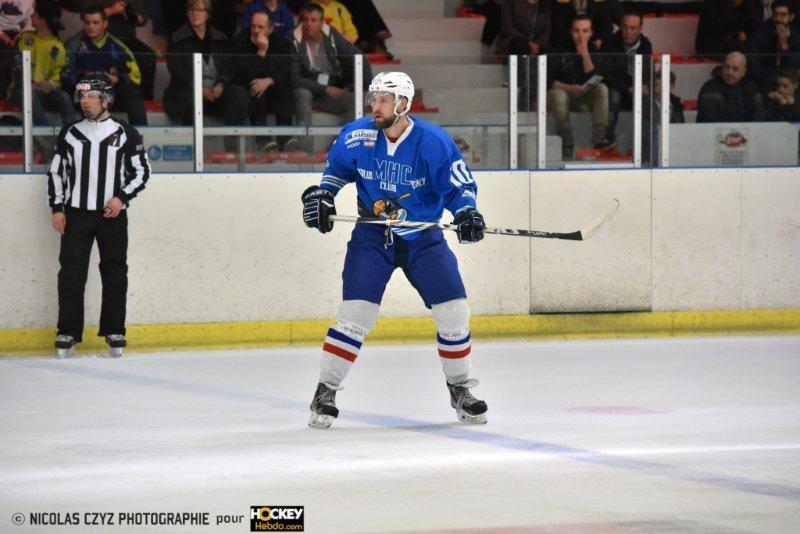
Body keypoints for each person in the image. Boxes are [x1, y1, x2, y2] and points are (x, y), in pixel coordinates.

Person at [300, 71, 489, 429]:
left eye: (384, 100)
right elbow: (336, 172)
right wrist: (323, 195)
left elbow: (458, 188)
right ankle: (325, 391)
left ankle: (460, 389)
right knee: (355, 314)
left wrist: (466, 212)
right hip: (373, 236)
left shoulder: (433, 142)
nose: (376, 106)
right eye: (373, 99)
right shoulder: (358, 134)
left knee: (453, 312)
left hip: (423, 237)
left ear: (403, 103)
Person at [47, 74, 150, 358]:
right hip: (76, 214)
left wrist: (121, 198)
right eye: (82, 96)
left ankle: (115, 330)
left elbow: (142, 171)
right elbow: (56, 173)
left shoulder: (126, 133)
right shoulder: (70, 132)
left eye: (91, 96)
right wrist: (57, 208)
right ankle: (68, 332)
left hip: (112, 215)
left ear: (106, 100)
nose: (85, 101)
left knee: (115, 271)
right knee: (71, 273)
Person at [162, 0, 249, 150]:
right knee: (189, 99)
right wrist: (199, 89)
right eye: (191, 10)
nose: (195, 14)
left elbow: (229, 66)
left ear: (207, 14)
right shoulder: (177, 38)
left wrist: (221, 84)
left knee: (239, 94)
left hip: (215, 91)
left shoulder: (220, 38)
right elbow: (177, 71)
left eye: (200, 10)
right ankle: (192, 149)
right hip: (187, 91)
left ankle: (232, 150)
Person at [290, 2, 372, 152]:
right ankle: (305, 151)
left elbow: (358, 57)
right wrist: (325, 89)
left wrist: (364, 86)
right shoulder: (292, 39)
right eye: (305, 20)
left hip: (328, 90)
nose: (309, 24)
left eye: (313, 20)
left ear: (322, 22)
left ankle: (336, 147)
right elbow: (294, 78)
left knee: (357, 100)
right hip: (305, 89)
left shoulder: (331, 35)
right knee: (303, 93)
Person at [62, 5, 148, 125]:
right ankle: (94, 133)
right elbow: (65, 73)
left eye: (95, 23)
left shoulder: (118, 46)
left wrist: (117, 79)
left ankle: (139, 133)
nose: (91, 27)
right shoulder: (74, 45)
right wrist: (85, 77)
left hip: (111, 92)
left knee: (133, 92)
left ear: (105, 24)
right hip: (84, 92)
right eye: (87, 22)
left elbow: (135, 76)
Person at [547, 15, 613, 158]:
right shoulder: (559, 48)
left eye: (585, 31)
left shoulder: (593, 50)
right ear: (571, 32)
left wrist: (585, 54)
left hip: (583, 96)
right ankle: (566, 141)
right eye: (577, 31)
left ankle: (599, 137)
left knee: (602, 88)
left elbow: (595, 78)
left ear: (591, 33)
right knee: (558, 94)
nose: (581, 36)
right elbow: (549, 80)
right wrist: (569, 88)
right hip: (562, 94)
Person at [232, 11, 297, 152]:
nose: (255, 30)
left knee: (285, 90)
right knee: (255, 88)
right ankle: (264, 142)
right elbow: (244, 75)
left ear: (270, 28)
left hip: (273, 88)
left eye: (260, 27)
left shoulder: (281, 43)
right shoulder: (240, 41)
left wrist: (269, 80)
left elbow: (285, 71)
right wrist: (261, 52)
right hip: (250, 88)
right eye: (253, 26)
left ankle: (285, 138)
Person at [8, 1, 77, 126]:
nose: (31, 15)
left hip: (44, 92)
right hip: (19, 90)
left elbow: (60, 74)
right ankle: (45, 134)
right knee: (30, 96)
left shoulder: (58, 47)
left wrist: (51, 84)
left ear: (43, 20)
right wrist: (29, 85)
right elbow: (16, 67)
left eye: (34, 13)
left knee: (64, 97)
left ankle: (72, 133)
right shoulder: (25, 39)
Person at [600, 12, 653, 144]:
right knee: (613, 97)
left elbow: (648, 71)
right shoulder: (609, 43)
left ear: (640, 28)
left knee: (649, 99)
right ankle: (607, 138)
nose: (628, 32)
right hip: (617, 86)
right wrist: (628, 88)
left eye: (633, 28)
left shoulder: (646, 45)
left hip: (637, 87)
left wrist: (644, 86)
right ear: (620, 26)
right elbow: (606, 74)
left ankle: (645, 141)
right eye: (625, 27)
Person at [746, 0, 800, 94]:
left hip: (792, 84)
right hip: (766, 83)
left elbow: (796, 65)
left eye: (783, 15)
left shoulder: (797, 35)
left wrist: (784, 46)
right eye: (775, 14)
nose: (778, 19)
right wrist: (779, 77)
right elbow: (754, 69)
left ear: (791, 17)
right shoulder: (759, 36)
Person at [697, 51, 767, 122]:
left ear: (743, 72)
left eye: (735, 69)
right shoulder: (709, 88)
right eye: (727, 67)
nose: (730, 72)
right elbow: (708, 122)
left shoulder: (751, 89)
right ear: (722, 68)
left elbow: (759, 120)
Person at [695, 0, 764, 56]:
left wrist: (746, 35)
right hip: (712, 42)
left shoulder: (752, 3)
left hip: (739, 40)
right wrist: (736, 34)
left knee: (758, 46)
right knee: (746, 49)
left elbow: (756, 26)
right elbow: (716, 25)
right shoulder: (712, 3)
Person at [549, 0, 623, 49]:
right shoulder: (559, 3)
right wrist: (577, 40)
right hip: (567, 45)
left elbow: (606, 27)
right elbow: (558, 28)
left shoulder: (600, 3)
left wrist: (600, 40)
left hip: (595, 45)